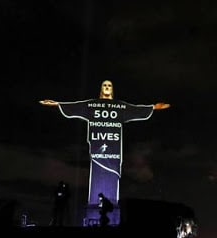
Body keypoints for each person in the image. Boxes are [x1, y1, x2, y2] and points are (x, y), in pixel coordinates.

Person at [39, 80, 170, 208]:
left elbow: (134, 109)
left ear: (112, 89)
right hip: (97, 151)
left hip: (114, 152)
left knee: (112, 179)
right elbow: (76, 106)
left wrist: (153, 107)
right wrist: (57, 104)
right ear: (101, 88)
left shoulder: (119, 106)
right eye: (104, 85)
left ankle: (111, 205)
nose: (107, 87)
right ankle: (95, 204)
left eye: (109, 85)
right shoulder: (92, 105)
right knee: (96, 178)